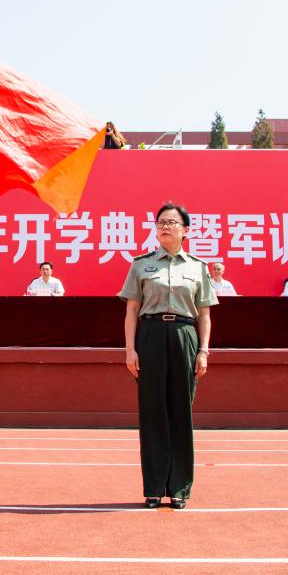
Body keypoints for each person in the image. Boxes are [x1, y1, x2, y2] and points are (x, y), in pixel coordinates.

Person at [119, 202, 216, 510]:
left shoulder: (197, 267)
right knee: (152, 412)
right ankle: (153, 487)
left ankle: (179, 488)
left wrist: (203, 351)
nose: (164, 227)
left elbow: (204, 314)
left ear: (185, 230)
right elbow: (131, 310)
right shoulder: (141, 264)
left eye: (171, 222)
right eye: (160, 222)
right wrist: (130, 349)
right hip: (150, 335)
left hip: (185, 335)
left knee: (180, 412)